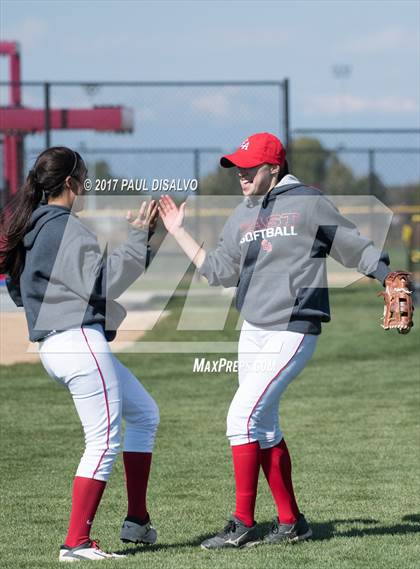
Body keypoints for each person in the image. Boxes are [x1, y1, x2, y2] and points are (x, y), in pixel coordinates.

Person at [158, 132, 392, 549]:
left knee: (240, 418)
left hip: (293, 325)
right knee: (262, 425)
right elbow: (217, 271)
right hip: (253, 326)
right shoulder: (241, 214)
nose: (242, 175)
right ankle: (291, 522)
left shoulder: (309, 202)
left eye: (250, 167)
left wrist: (387, 275)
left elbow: (352, 247)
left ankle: (242, 524)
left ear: (274, 168)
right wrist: (178, 230)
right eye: (237, 167)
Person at [0, 147, 160, 562]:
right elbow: (110, 281)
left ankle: (137, 521)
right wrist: (141, 236)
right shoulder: (64, 228)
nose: (86, 184)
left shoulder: (29, 227)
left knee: (144, 413)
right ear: (70, 182)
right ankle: (76, 542)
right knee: (103, 442)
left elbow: (18, 290)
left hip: (56, 345)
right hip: (80, 342)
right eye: (84, 176)